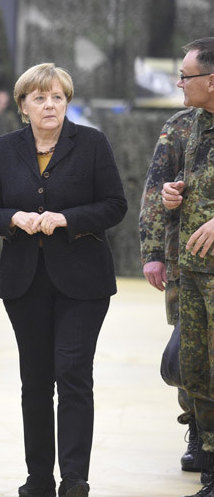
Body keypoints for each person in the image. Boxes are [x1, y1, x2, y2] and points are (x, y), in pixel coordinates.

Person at [0, 63, 127, 497]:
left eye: (57, 97)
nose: (49, 105)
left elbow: (115, 204)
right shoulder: (7, 148)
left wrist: (67, 218)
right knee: (36, 381)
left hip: (84, 282)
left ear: (67, 102)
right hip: (25, 282)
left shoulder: (92, 143)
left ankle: (75, 478)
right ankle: (39, 478)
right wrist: (13, 218)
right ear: (23, 105)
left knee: (73, 373)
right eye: (39, 97)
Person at [162, 37, 214, 497]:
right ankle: (210, 463)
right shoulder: (194, 124)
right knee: (196, 368)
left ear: (211, 80)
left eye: (186, 76)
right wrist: (174, 195)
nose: (179, 83)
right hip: (195, 272)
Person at [139, 107, 203, 477]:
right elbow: (154, 191)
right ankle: (198, 430)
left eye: (186, 78)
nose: (180, 83)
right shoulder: (180, 127)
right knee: (188, 351)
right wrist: (153, 253)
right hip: (187, 262)